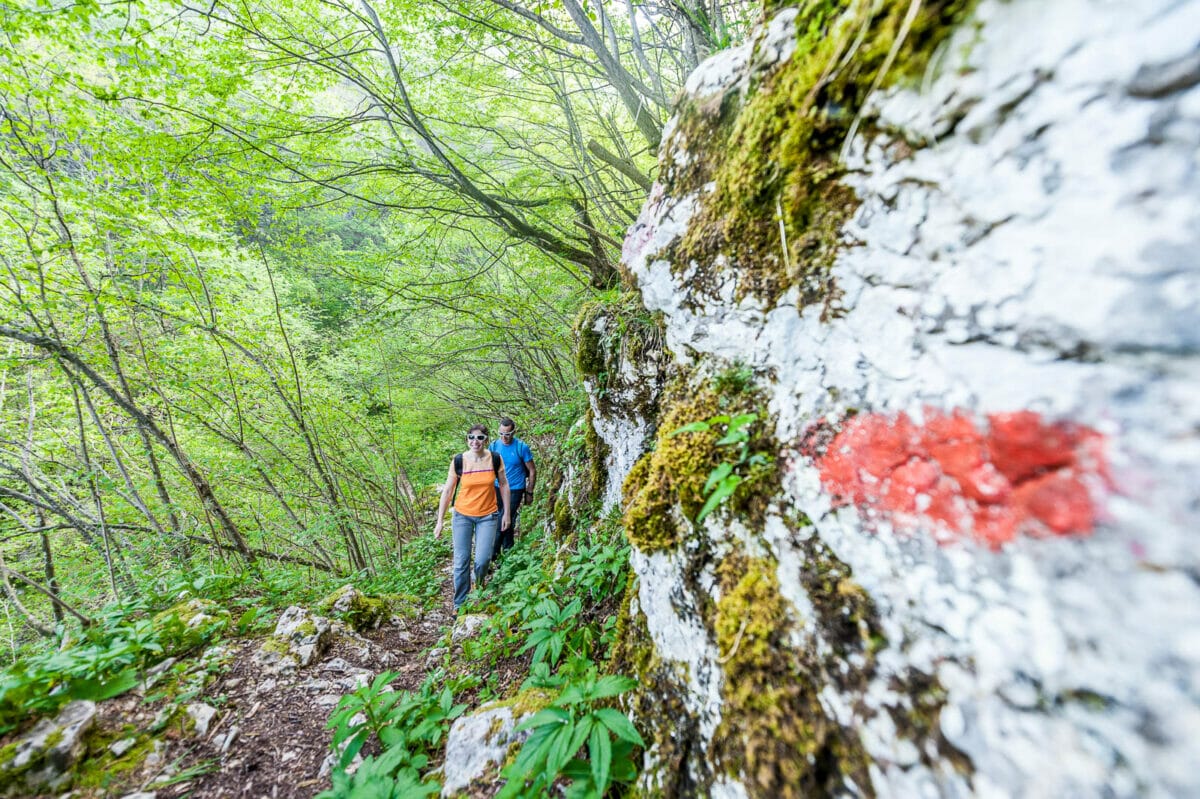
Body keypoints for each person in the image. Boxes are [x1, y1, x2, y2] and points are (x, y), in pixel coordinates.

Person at [434, 424, 511, 611]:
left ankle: (479, 585)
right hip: (462, 516)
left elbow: (504, 485)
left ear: (486, 440)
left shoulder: (494, 459)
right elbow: (448, 490)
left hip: (488, 515)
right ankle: (459, 603)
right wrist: (439, 522)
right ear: (467, 439)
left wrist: (507, 513)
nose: (475, 441)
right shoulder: (459, 460)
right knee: (461, 562)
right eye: (471, 437)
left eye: (479, 438)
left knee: (483, 560)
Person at [489, 417, 536, 560]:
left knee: (503, 520)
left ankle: (492, 556)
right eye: (501, 434)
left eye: (508, 434)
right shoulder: (494, 446)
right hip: (497, 488)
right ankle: (508, 553)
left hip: (516, 489)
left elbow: (532, 470)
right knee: (506, 521)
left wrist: (529, 492)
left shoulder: (521, 447)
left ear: (514, 432)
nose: (504, 437)